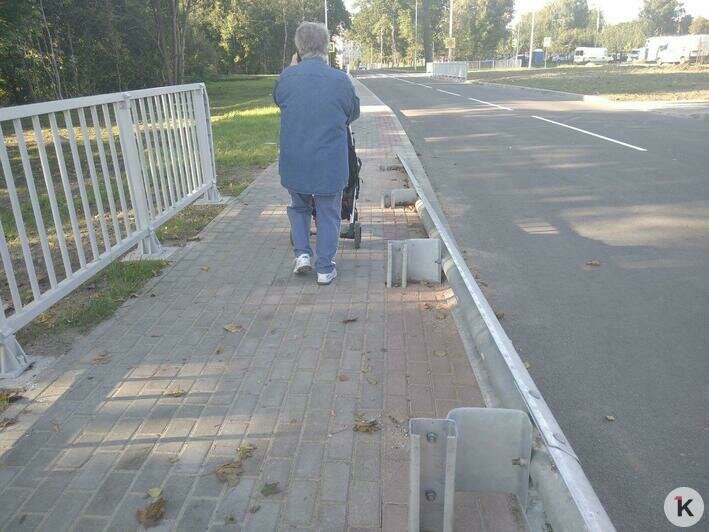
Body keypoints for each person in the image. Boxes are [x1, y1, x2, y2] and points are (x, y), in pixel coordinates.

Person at [273, 21, 360, 285]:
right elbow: (353, 113)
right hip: (328, 162)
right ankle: (325, 268)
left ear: (298, 48)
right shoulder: (340, 80)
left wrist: (291, 68)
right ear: (326, 47)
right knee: (328, 211)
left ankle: (302, 256)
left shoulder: (286, 76)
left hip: (295, 158)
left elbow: (279, 100)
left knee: (298, 207)